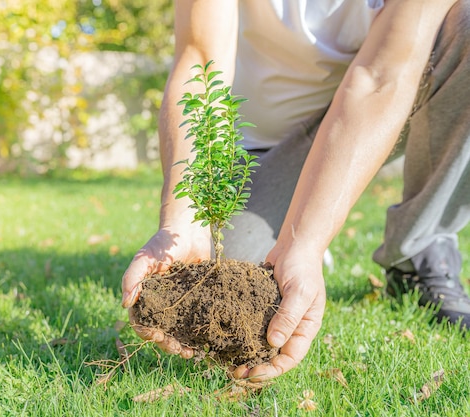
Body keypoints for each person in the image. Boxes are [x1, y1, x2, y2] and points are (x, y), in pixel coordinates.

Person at [121, 0, 470, 383]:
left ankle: (419, 244)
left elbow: (381, 78)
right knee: (228, 270)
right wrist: (181, 222)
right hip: (253, 148)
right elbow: (199, 60)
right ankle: (290, 212)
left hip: (366, 118)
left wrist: (305, 243)